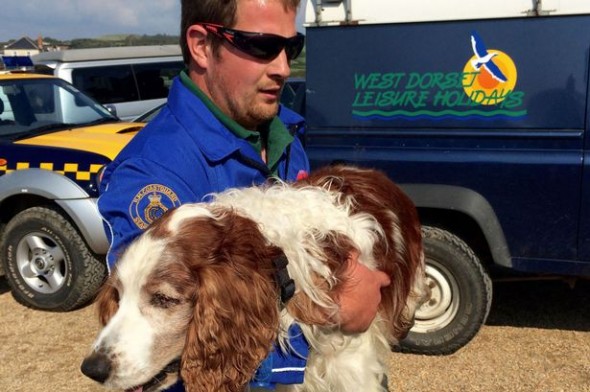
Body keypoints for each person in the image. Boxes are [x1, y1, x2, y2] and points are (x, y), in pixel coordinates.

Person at [97, 0, 391, 390]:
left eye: (292, 47)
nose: (283, 67)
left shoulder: (280, 131)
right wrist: (334, 311)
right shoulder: (152, 176)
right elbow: (160, 331)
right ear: (201, 45)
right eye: (260, 46)